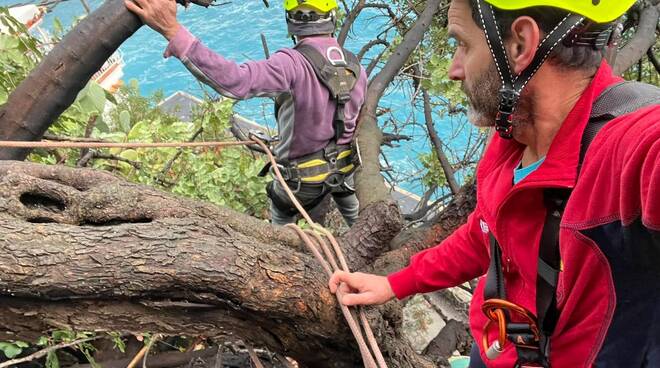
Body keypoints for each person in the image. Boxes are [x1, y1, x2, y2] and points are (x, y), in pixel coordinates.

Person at [328, 0, 660, 367]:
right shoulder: (514, 134)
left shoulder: (627, 147)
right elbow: (485, 232)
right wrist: (396, 283)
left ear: (520, 44)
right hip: (494, 346)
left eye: (464, 44)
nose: (455, 69)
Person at [125, 0, 367, 226]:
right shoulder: (355, 66)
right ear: (332, 18)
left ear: (291, 21)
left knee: (281, 228)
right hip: (344, 174)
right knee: (363, 225)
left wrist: (174, 32)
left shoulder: (291, 64)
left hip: (299, 183)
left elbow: (236, 81)